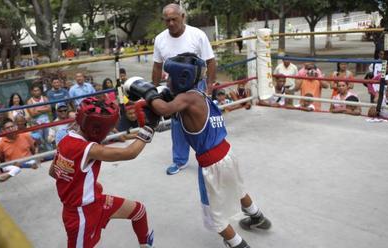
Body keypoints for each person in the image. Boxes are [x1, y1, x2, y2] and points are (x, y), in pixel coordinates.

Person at [125, 54, 271, 248]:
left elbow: (164, 109)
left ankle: (237, 244)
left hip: (212, 164)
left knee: (214, 216)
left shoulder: (186, 98)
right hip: (227, 154)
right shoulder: (199, 93)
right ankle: (257, 216)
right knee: (236, 187)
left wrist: (149, 93)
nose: (167, 80)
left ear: (181, 78)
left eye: (169, 77)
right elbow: (176, 108)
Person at [49, 97, 155, 248]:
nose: (109, 132)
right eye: (108, 129)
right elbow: (130, 152)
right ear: (97, 129)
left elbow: (53, 172)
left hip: (96, 201)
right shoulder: (90, 148)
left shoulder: (64, 140)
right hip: (79, 216)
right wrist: (148, 128)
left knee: (139, 211)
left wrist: (84, 183)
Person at [151, 3, 216, 175]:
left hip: (197, 87)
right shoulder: (160, 39)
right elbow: (157, 66)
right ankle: (180, 161)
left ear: (183, 17)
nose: (171, 23)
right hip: (174, 89)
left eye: (174, 19)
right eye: (167, 20)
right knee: (178, 125)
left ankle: (208, 158)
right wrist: (153, 90)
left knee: (201, 124)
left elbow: (211, 61)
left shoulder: (197, 35)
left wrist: (209, 87)